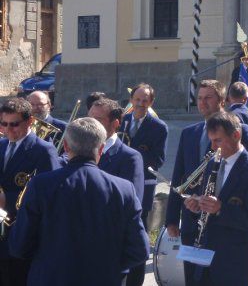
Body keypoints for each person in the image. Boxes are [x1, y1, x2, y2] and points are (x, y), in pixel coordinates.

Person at [9, 117, 149, 286]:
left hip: (50, 278)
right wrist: (107, 266)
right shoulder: (124, 189)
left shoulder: (41, 185)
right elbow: (139, 250)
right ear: (101, 149)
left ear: (66, 146)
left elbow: (19, 245)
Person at [165, 80, 248, 284]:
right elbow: (179, 176)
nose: (203, 103)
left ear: (222, 100)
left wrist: (221, 206)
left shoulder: (241, 128)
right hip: (193, 221)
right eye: (199, 98)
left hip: (229, 228)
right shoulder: (189, 132)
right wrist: (172, 218)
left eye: (208, 98)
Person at [184, 111, 248, 286]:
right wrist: (198, 206)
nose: (213, 146)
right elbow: (209, 208)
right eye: (211, 141)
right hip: (206, 257)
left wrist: (221, 209)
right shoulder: (212, 165)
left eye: (218, 141)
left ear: (236, 135)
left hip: (235, 263)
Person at [0, 98, 60, 285]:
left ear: (30, 121)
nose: (8, 129)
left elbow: (50, 194)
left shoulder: (43, 150)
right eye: (3, 124)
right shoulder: (1, 145)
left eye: (14, 124)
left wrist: (6, 199)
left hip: (22, 232)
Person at [119, 83, 168, 230]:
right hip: (120, 180)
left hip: (144, 183)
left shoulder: (159, 127)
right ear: (131, 100)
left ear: (151, 102)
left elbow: (159, 159)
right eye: (137, 99)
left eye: (145, 101)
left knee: (139, 225)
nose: (140, 104)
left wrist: (132, 155)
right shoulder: (121, 120)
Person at [88, 98, 144, 209]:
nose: (91, 124)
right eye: (89, 118)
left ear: (115, 124)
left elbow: (132, 202)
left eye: (98, 119)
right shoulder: (80, 149)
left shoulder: (130, 157)